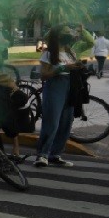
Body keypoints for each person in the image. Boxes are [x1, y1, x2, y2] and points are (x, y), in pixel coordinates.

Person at [34, 24, 90, 168]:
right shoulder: (48, 53)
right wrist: (63, 68)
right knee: (52, 122)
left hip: (70, 87)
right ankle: (42, 155)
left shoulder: (71, 51)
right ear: (57, 35)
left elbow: (90, 42)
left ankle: (55, 154)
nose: (70, 34)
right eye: (66, 31)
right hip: (55, 87)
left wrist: (82, 30)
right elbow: (44, 75)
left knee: (66, 123)